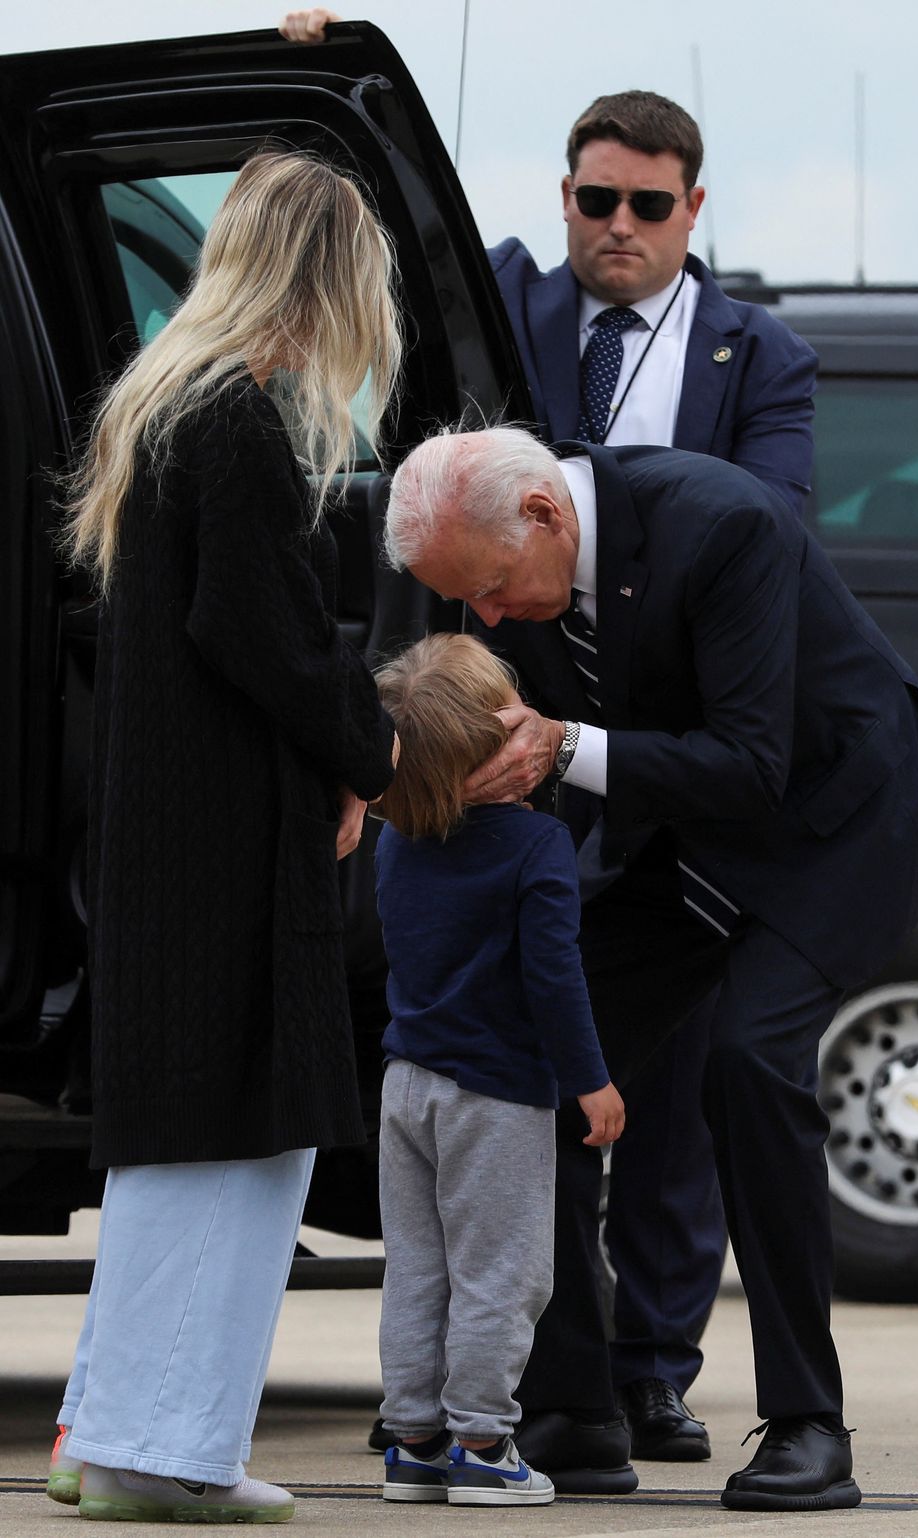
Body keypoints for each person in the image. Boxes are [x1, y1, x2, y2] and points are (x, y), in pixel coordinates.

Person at [277, 6, 820, 1474]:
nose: (621, 226)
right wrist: (329, 78)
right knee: (513, 1052)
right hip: (497, 741)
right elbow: (385, 236)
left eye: (651, 204)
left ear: (692, 211)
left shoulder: (756, 352)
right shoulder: (508, 308)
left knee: (662, 1077)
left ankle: (652, 1360)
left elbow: (767, 520)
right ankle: (551, 1387)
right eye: (597, 198)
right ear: (564, 196)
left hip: (670, 749)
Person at [381, 424, 918, 1512]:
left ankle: (806, 1422)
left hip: (829, 827)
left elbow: (750, 765)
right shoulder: (508, 568)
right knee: (529, 1055)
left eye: (497, 590)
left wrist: (561, 744)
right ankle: (574, 1401)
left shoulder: (724, 522)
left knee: (748, 1061)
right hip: (681, 834)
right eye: (466, 602)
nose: (490, 620)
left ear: (545, 518)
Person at [45, 150, 402, 1525]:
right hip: (231, 848)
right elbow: (263, 634)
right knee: (243, 1143)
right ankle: (167, 1452)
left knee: (175, 1145)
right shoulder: (242, 426)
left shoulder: (162, 408)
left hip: (165, 838)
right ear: (327, 273)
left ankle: (112, 1432)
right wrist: (369, 750)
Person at [370, 632, 625, 1506]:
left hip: (405, 1085)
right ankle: (483, 1445)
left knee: (418, 1267)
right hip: (497, 1093)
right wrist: (589, 1079)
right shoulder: (536, 847)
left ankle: (412, 1441)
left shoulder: (395, 843)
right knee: (504, 1273)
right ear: (502, 743)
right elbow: (554, 975)